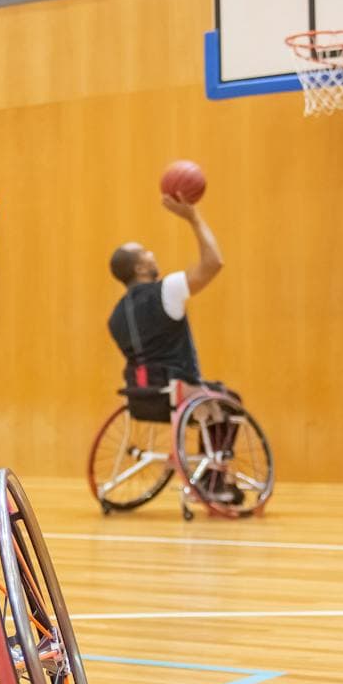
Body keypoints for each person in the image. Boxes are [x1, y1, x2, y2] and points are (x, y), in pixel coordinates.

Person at [105, 196, 243, 502]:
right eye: (146, 252)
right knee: (229, 401)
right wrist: (193, 217)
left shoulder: (115, 316)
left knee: (211, 397)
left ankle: (205, 474)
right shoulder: (165, 290)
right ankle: (214, 481)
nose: (153, 255)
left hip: (142, 397)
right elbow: (213, 263)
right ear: (141, 266)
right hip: (179, 392)